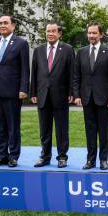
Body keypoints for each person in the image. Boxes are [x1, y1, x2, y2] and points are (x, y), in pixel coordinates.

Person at [0, 15, 30, 168]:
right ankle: (2, 155)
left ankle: (14, 156)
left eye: (5, 23)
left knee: (12, 126)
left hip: (13, 91)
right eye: (0, 23)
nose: (2, 25)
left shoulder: (21, 43)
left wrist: (24, 88)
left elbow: (25, 68)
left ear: (13, 26)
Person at [73, 22, 108, 170]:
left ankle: (103, 160)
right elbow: (76, 76)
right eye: (89, 33)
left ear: (101, 35)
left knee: (103, 131)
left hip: (104, 99)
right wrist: (77, 95)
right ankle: (90, 160)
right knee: (90, 131)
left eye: (94, 33)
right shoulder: (81, 52)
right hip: (86, 98)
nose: (91, 36)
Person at [30, 23, 74, 168]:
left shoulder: (67, 49)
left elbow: (71, 73)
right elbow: (34, 73)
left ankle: (62, 157)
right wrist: (33, 92)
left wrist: (71, 92)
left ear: (59, 33)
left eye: (53, 31)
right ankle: (45, 156)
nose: (50, 33)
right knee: (44, 129)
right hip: (42, 95)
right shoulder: (38, 50)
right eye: (48, 31)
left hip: (61, 95)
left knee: (61, 129)